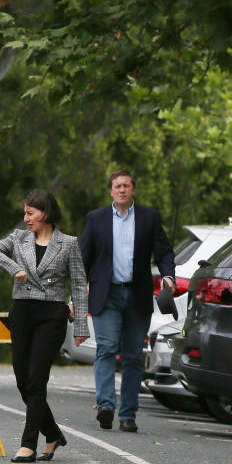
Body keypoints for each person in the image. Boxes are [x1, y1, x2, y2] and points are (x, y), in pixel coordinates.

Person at [0, 189, 89, 463]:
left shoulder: (68, 243)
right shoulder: (18, 238)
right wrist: (13, 267)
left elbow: (77, 283)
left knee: (36, 380)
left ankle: (28, 444)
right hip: (23, 312)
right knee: (22, 381)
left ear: (46, 213)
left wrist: (80, 327)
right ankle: (52, 434)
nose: (26, 218)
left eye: (31, 213)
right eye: (25, 213)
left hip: (51, 315)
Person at [80, 170, 175, 433]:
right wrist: (75, 295)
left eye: (126, 186)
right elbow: (83, 260)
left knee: (133, 356)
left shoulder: (149, 218)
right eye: (117, 186)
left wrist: (168, 277)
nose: (121, 190)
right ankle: (106, 407)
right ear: (111, 191)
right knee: (107, 348)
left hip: (137, 295)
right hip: (106, 294)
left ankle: (128, 414)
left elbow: (164, 252)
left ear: (133, 190)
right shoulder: (96, 219)